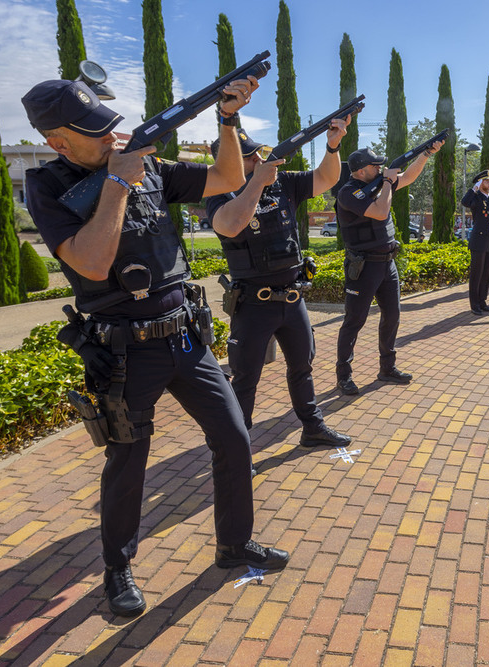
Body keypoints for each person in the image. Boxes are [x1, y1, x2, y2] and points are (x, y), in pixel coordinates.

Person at [22, 75, 289, 618]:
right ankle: (117, 568)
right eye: (95, 134)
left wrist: (228, 119)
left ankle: (233, 543)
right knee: (129, 463)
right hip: (124, 350)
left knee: (235, 438)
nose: (111, 140)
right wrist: (119, 183)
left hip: (186, 334)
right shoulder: (48, 186)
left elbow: (227, 176)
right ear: (58, 142)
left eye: (110, 127)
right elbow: (91, 263)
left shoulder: (148, 168)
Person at [205, 121, 352, 448]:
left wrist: (333, 146)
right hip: (253, 305)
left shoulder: (281, 182)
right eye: (248, 157)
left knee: (303, 366)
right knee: (245, 380)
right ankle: (238, 449)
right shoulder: (218, 194)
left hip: (292, 298)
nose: (258, 160)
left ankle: (312, 428)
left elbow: (326, 178)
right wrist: (256, 183)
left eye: (257, 153)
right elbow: (229, 225)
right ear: (224, 162)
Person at [334, 143, 443, 395]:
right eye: (375, 165)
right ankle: (344, 375)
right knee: (354, 321)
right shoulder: (348, 193)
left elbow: (408, 177)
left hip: (387, 263)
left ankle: (387, 368)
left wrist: (425, 154)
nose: (380, 168)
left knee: (392, 316)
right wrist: (386, 182)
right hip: (363, 265)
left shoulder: (379, 183)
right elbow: (381, 213)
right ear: (361, 171)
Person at [461, 169, 489, 314]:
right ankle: (474, 304)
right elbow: (465, 202)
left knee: (486, 274)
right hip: (478, 241)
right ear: (480, 183)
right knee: (477, 274)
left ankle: (482, 301)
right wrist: (474, 189)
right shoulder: (476, 198)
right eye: (486, 181)